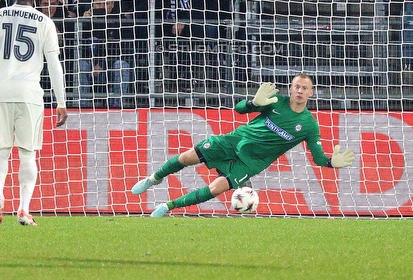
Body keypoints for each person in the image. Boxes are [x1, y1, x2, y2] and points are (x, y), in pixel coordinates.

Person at [130, 75, 355, 217]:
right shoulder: (276, 102)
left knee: (216, 188)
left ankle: (167, 207)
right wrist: (253, 103)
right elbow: (238, 109)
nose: (299, 90)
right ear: (291, 87)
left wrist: (330, 162)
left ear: (311, 92)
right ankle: (153, 179)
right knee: (187, 157)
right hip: (233, 141)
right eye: (296, 86)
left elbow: (316, 157)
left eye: (304, 88)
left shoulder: (309, 125)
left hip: (252, 162)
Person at [0, 0, 68, 227]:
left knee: (0, 150)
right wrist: (61, 101)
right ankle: (24, 209)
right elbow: (54, 64)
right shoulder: (45, 21)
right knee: (28, 154)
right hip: (29, 93)